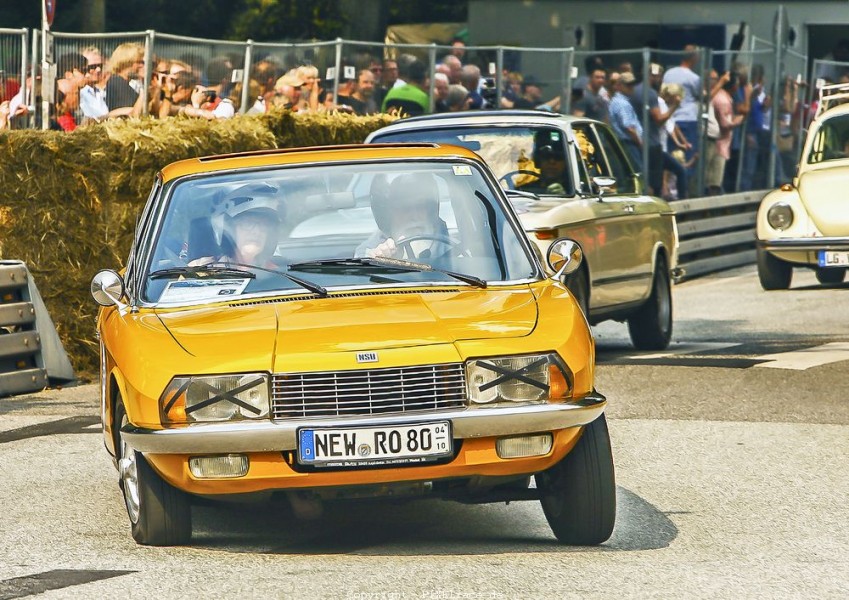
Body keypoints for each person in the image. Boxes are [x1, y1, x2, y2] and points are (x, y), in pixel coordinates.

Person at [356, 173, 451, 262]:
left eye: (420, 206)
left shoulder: (454, 246)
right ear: (388, 213)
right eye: (405, 208)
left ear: (430, 208)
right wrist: (381, 263)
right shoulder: (369, 251)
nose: (414, 216)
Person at [191, 183, 283, 268]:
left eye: (264, 225)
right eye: (248, 223)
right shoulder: (202, 270)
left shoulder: (279, 276)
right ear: (229, 228)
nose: (256, 231)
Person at [663, 45, 702, 181]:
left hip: (670, 118)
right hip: (688, 119)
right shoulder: (694, 78)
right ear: (694, 58)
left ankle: (669, 185)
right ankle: (684, 185)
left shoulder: (668, 73)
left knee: (672, 154)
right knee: (687, 154)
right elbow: (701, 96)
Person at [609, 71, 643, 172]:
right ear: (619, 86)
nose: (631, 87)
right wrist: (640, 143)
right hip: (628, 144)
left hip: (626, 143)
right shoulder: (622, 103)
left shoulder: (620, 101)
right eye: (628, 85)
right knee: (637, 173)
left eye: (632, 84)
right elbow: (629, 127)